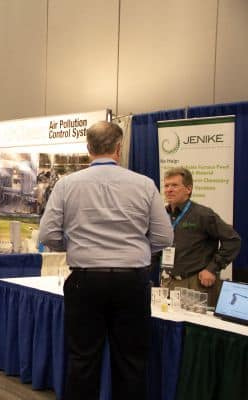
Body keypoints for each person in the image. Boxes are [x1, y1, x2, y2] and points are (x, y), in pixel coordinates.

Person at [39, 121, 173, 400]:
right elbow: (163, 236)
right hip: (131, 281)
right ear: (119, 148)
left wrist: (76, 245)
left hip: (85, 281)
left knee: (83, 361)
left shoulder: (66, 185)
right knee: (131, 363)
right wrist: (135, 249)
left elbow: (48, 234)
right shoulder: (144, 184)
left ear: (88, 148)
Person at [162, 167, 241, 306]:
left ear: (188, 189)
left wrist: (212, 268)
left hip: (196, 283)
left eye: (174, 185)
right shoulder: (162, 214)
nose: (169, 189)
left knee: (194, 327)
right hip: (169, 281)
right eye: (166, 185)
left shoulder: (203, 214)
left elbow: (233, 240)